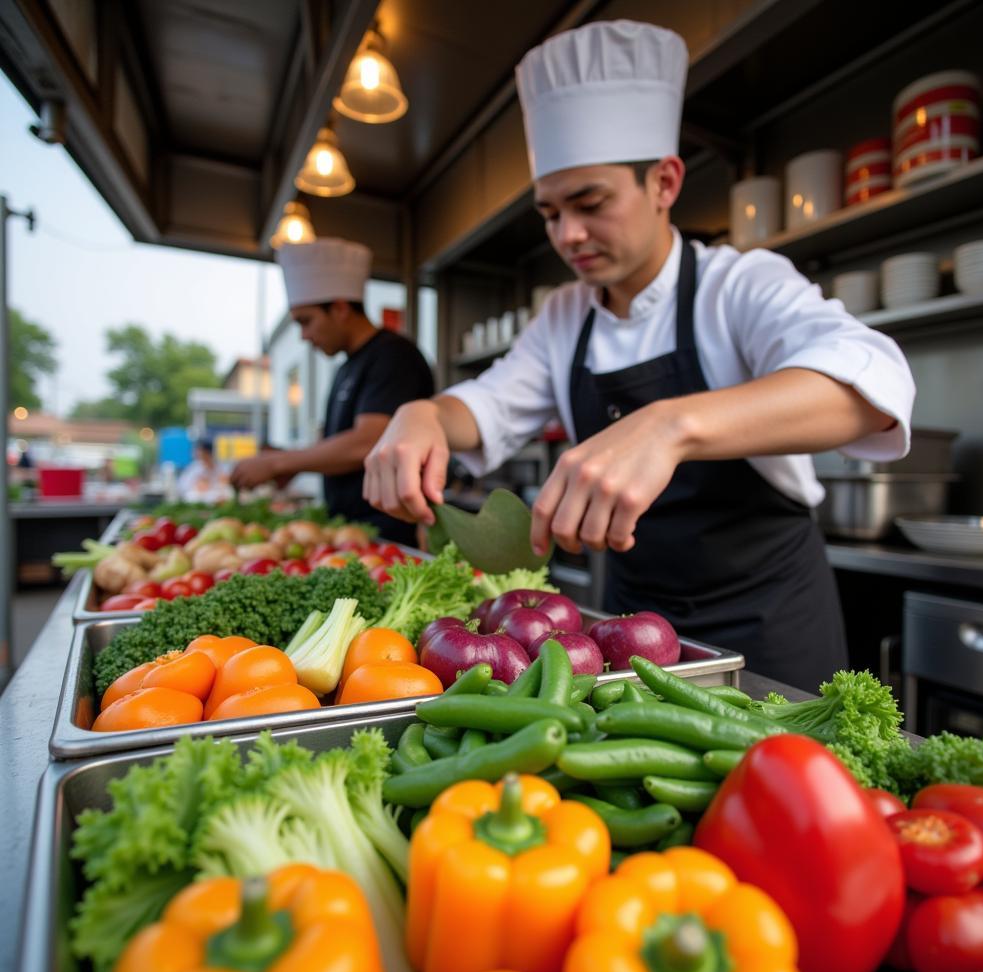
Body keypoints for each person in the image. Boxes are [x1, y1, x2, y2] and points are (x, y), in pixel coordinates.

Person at [363, 20, 916, 691]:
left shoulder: (737, 284)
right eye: (549, 212)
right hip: (625, 636)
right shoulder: (566, 316)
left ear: (664, 181)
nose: (568, 234)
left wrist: (669, 425)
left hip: (768, 623)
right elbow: (486, 404)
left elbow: (871, 381)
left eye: (590, 203)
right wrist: (422, 413)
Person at [230, 238, 434, 545]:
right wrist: (292, 461)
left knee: (353, 597)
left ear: (339, 308)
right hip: (347, 532)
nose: (304, 336)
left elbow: (368, 441)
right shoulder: (346, 368)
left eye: (306, 321)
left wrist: (279, 462)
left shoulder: (394, 356)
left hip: (386, 535)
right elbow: (337, 441)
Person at [178, 437, 229, 502]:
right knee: (192, 496)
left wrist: (223, 483)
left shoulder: (221, 466)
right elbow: (182, 485)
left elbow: (225, 483)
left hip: (216, 494)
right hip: (201, 496)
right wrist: (197, 485)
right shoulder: (195, 467)